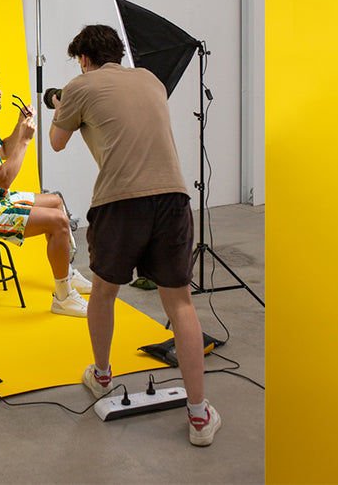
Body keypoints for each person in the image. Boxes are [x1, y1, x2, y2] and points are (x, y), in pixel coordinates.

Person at [48, 24, 220, 447]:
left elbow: (55, 142)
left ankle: (103, 375)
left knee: (104, 291)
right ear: (118, 54)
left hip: (119, 202)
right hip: (173, 198)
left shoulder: (78, 86)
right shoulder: (151, 80)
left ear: (83, 59)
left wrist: (61, 102)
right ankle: (199, 417)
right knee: (179, 302)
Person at [0, 66, 91, 317]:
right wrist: (24, 140)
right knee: (58, 222)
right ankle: (64, 296)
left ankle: (66, 275)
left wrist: (19, 125)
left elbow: (2, 151)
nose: (0, 92)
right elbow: (3, 178)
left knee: (56, 202)